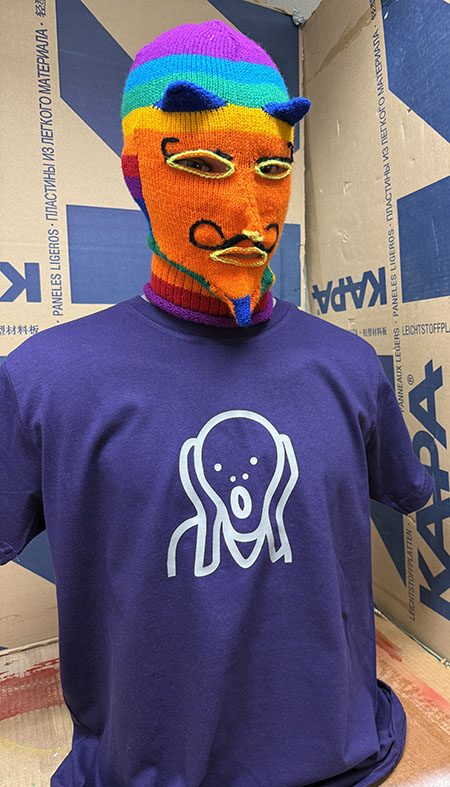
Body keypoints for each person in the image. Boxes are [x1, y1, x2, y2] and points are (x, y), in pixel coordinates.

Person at [0, 20, 433, 787]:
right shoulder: (40, 381)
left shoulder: (350, 365)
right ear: (138, 173)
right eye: (201, 163)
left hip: (351, 758)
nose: (244, 207)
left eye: (273, 166)